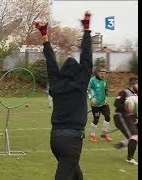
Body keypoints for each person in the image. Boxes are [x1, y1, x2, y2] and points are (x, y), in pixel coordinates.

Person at [35, 11, 93, 180]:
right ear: (77, 72)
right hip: (72, 142)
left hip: (56, 140)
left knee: (77, 177)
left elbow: (51, 63)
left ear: (63, 72)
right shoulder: (80, 84)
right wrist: (87, 31)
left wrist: (44, 35)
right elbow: (87, 58)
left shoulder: (56, 84)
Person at [113, 77, 138, 165]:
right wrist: (126, 107)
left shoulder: (136, 95)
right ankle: (130, 159)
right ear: (133, 84)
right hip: (120, 117)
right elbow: (116, 104)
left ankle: (124, 143)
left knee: (135, 136)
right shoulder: (124, 92)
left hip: (130, 118)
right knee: (134, 136)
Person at [87, 68, 112, 142]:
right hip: (95, 105)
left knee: (107, 117)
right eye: (102, 73)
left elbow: (106, 91)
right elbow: (87, 90)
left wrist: (106, 100)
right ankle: (92, 135)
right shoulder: (92, 80)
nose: (103, 75)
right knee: (96, 120)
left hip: (104, 103)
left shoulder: (105, 81)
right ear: (97, 73)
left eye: (104, 74)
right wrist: (90, 98)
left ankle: (104, 133)